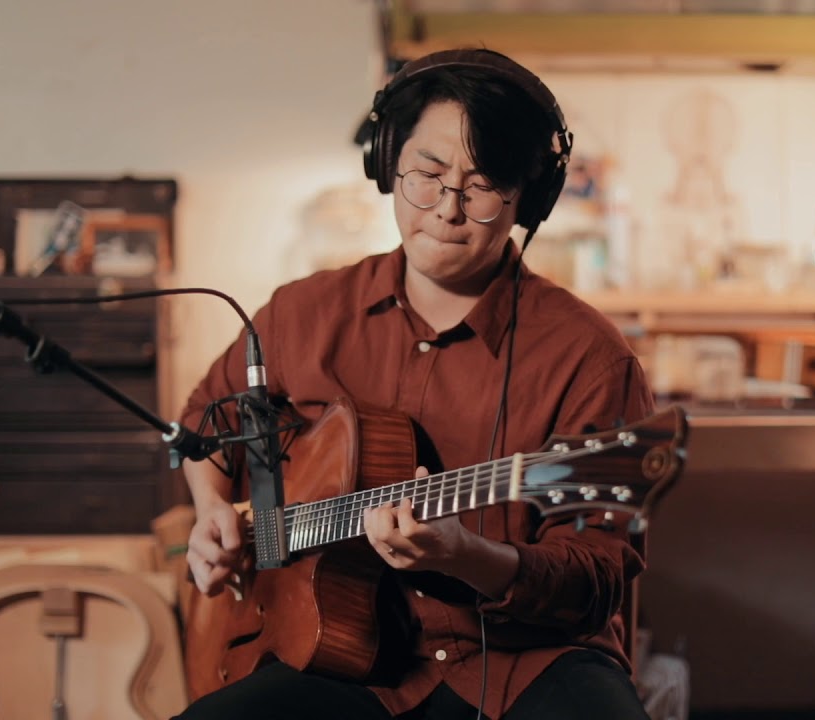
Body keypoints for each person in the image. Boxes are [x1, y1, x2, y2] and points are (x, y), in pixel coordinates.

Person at [175, 48, 656, 720]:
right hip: (331, 650)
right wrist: (212, 513)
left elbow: (597, 577)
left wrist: (471, 557)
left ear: (528, 197)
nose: (447, 209)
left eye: (482, 185)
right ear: (386, 165)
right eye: (426, 174)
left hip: (523, 659)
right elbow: (205, 422)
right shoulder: (302, 313)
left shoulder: (588, 357)